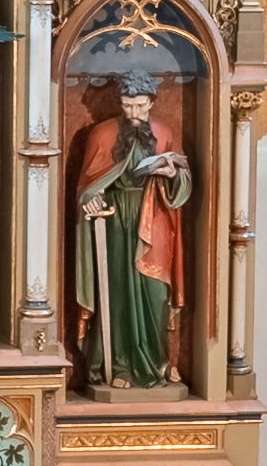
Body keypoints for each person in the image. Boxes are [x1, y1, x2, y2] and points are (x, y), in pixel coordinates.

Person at [71, 81, 189, 393]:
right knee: (118, 291)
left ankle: (158, 362)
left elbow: (183, 179)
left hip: (155, 218)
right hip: (115, 221)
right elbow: (87, 184)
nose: (133, 112)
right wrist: (92, 198)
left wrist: (172, 174)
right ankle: (119, 364)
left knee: (155, 293)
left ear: (152, 102)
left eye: (140, 105)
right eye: (127, 105)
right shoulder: (102, 134)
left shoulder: (163, 133)